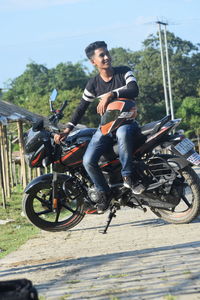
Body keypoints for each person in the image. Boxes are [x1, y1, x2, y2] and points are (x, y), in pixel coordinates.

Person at [54, 41, 144, 213]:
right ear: (93, 61)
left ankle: (128, 176)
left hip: (128, 124)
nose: (106, 57)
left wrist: (112, 94)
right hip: (106, 128)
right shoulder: (93, 84)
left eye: (107, 53)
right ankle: (104, 193)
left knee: (123, 132)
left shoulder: (124, 71)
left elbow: (134, 90)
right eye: (101, 55)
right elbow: (81, 108)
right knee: (88, 161)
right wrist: (67, 130)